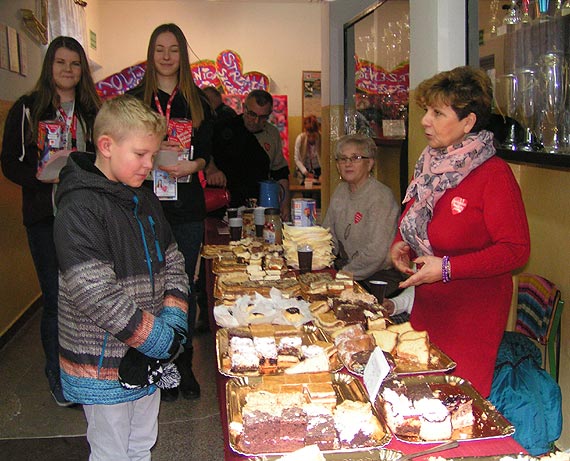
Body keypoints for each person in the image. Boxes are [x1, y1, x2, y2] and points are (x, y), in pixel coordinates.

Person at [53, 95, 188, 460]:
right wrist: (160, 338)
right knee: (112, 449)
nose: (149, 165)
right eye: (141, 154)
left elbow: (172, 259)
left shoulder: (144, 200)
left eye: (153, 155)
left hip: (146, 355)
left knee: (141, 441)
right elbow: (95, 294)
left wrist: (174, 317)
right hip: (102, 360)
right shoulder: (78, 208)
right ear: (107, 146)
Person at [390, 66, 530, 398]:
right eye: (427, 110)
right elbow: (417, 218)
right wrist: (402, 244)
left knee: (457, 402)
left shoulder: (494, 174)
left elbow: (515, 250)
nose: (425, 120)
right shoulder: (429, 164)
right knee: (421, 395)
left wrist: (448, 268)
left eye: (437, 113)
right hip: (429, 308)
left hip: (472, 315)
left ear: (468, 122)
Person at [1, 36, 101, 407]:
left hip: (85, 218)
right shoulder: (28, 108)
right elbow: (9, 162)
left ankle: (87, 370)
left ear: (82, 70)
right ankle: (57, 374)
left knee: (86, 295)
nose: (67, 70)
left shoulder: (92, 111)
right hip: (44, 218)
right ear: (49, 66)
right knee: (56, 297)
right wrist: (40, 176)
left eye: (74, 64)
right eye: (60, 62)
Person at [129, 23, 213, 402]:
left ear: (182, 55)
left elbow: (210, 152)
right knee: (149, 288)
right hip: (144, 206)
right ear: (151, 54)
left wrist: (194, 167)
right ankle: (156, 366)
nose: (166, 56)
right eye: (159, 49)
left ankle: (183, 367)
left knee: (184, 286)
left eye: (174, 49)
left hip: (187, 206)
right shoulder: (135, 101)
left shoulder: (197, 101)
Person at [322, 134, 402, 296]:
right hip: (347, 271)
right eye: (342, 159)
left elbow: (377, 253)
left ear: (370, 163)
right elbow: (327, 236)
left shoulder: (381, 196)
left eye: (355, 158)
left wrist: (341, 276)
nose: (347, 164)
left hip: (377, 279)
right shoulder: (340, 191)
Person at [206, 89, 291, 220]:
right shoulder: (223, 128)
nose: (256, 121)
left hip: (258, 207)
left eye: (263, 117)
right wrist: (211, 169)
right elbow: (204, 153)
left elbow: (280, 172)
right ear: (244, 108)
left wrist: (285, 205)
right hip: (224, 206)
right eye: (252, 114)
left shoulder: (272, 134)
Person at [294, 115, 321, 183]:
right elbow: (297, 159)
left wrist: (323, 173)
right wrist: (305, 172)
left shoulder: (322, 138)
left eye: (314, 136)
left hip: (319, 170)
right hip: (305, 169)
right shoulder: (300, 138)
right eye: (309, 136)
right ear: (305, 131)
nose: (311, 138)